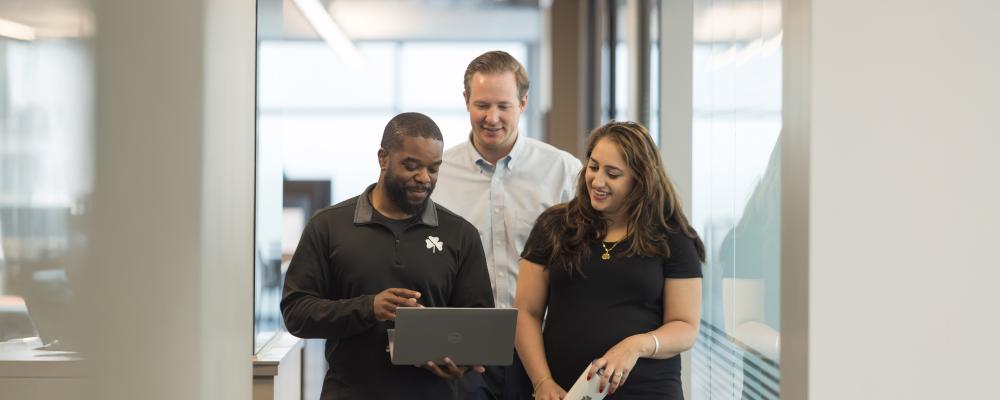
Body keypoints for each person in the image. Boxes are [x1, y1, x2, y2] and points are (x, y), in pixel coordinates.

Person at [281, 112, 495, 400]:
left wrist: (462, 362)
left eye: (433, 169)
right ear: (383, 158)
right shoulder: (329, 226)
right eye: (411, 166)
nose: (424, 178)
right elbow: (296, 313)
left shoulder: (461, 234)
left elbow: (479, 325)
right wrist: (369, 308)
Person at [514, 121, 705, 399]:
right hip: (565, 392)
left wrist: (635, 346)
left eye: (613, 174)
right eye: (593, 167)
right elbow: (526, 312)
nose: (598, 181)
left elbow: (685, 327)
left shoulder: (672, 237)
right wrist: (541, 381)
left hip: (649, 391)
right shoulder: (554, 225)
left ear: (639, 180)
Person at [433, 50, 581, 399]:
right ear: (466, 101)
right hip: (465, 351)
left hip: (544, 348)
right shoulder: (438, 175)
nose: (492, 117)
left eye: (504, 106)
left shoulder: (562, 171)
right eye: (482, 105)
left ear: (523, 103)